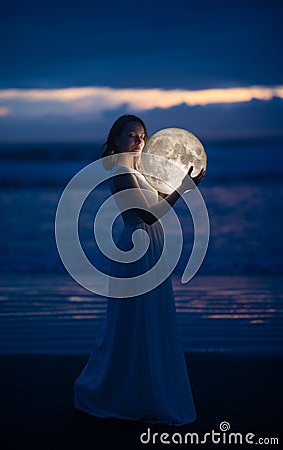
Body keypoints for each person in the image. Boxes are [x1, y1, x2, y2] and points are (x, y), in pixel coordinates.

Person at [74, 114, 205, 426]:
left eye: (142, 135)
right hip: (136, 250)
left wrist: (181, 184)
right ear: (116, 140)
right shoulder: (120, 171)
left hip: (151, 247)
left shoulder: (139, 172)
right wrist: (182, 191)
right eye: (132, 135)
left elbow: (157, 202)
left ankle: (145, 389)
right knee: (133, 322)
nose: (139, 141)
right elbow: (147, 216)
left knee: (149, 320)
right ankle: (118, 390)